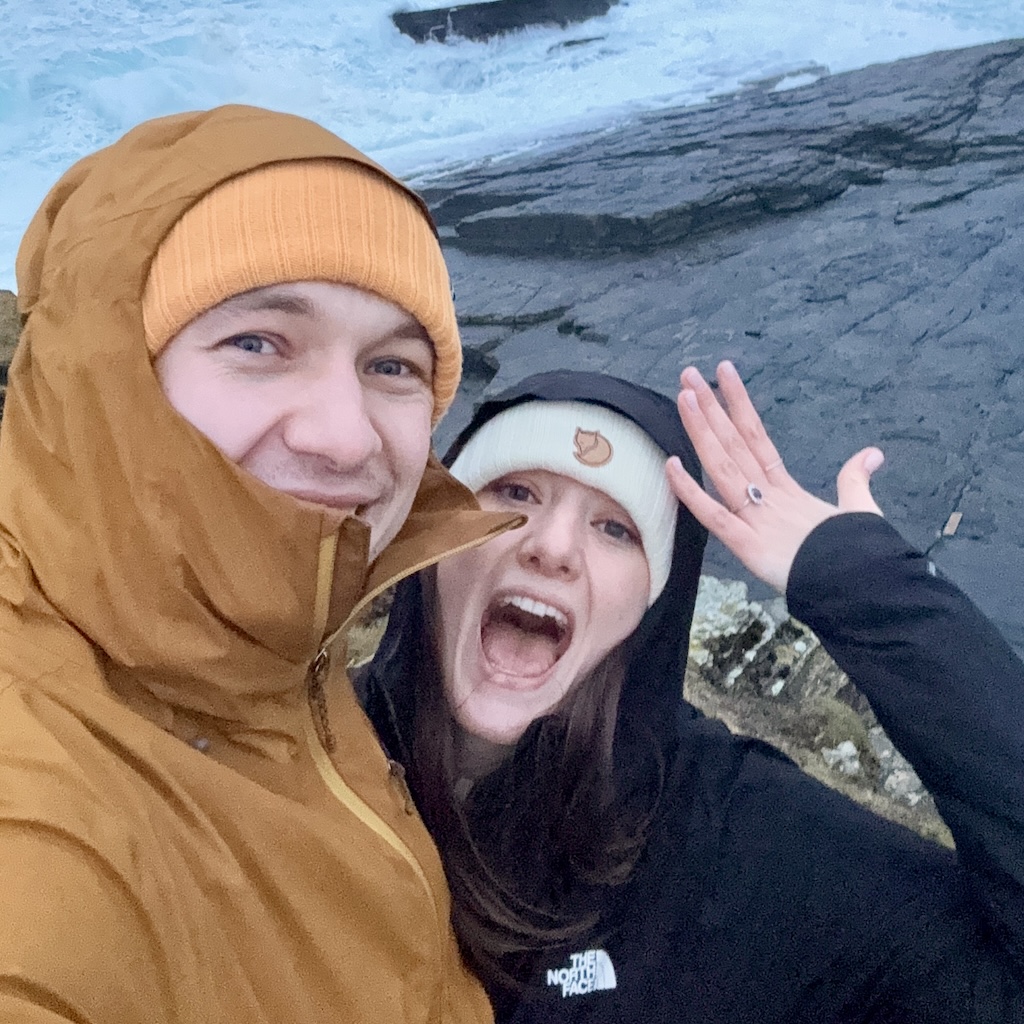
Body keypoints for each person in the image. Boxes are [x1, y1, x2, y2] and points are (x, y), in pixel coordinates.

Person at [0, 104, 523, 1022]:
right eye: (257, 343)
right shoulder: (41, 832)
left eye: (393, 366)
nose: (343, 435)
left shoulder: (278, 644)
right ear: (105, 370)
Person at [360, 364, 1024, 1022]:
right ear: (435, 536)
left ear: (653, 604)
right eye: (515, 492)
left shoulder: (734, 839)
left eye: (615, 528)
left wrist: (865, 585)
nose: (552, 546)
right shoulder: (297, 752)